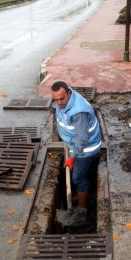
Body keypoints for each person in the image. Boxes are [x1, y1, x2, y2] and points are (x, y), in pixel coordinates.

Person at [51, 81, 101, 220]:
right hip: (74, 144)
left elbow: (82, 139)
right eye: (56, 99)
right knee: (77, 176)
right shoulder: (66, 101)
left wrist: (72, 157)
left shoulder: (79, 112)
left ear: (69, 93)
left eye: (62, 98)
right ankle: (81, 194)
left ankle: (82, 209)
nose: (59, 102)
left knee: (78, 177)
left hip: (85, 148)